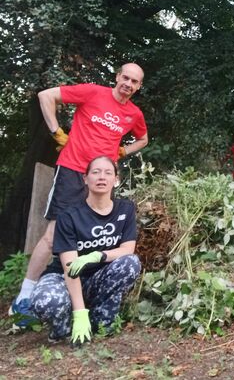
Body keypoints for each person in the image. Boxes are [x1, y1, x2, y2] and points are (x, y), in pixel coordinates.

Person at [10, 63, 148, 326]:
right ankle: (25, 298)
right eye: (125, 78)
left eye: (134, 82)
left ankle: (86, 297)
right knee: (52, 237)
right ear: (117, 77)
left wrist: (122, 152)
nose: (128, 84)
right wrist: (56, 132)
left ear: (139, 86)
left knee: (100, 239)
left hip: (103, 177)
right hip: (73, 170)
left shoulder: (133, 114)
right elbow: (46, 96)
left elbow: (143, 139)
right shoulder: (93, 92)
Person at [30, 156, 141, 344]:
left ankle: (99, 320)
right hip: (65, 277)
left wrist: (98, 255)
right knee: (46, 300)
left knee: (130, 263)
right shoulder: (68, 215)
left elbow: (127, 249)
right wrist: (79, 313)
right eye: (95, 172)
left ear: (116, 180)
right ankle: (64, 327)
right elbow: (69, 269)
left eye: (108, 173)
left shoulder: (126, 209)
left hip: (97, 278)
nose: (101, 177)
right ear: (85, 179)